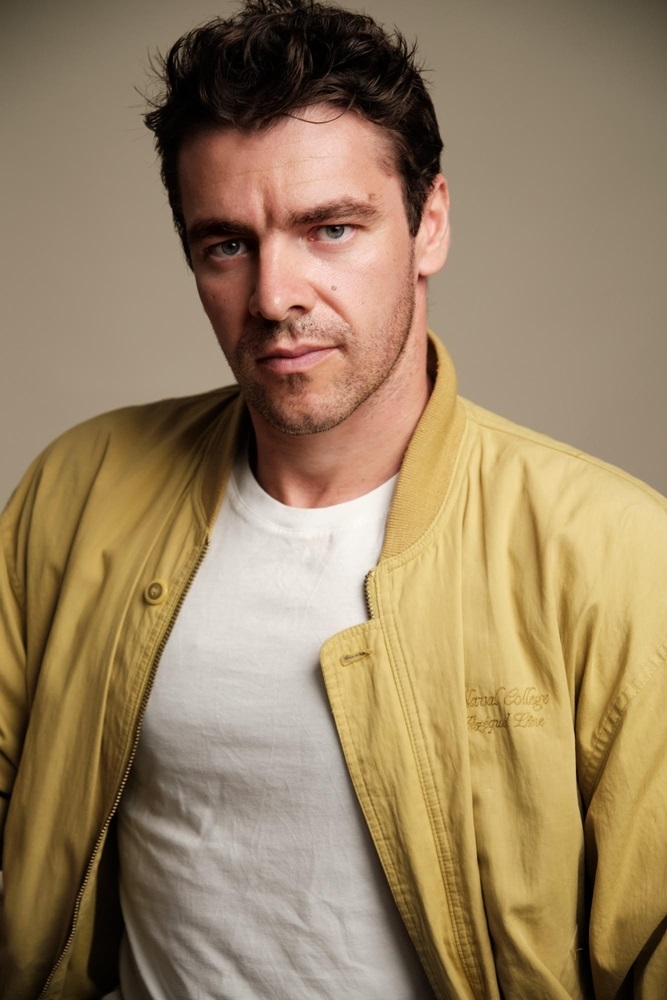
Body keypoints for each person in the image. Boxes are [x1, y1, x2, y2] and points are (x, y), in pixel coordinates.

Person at [1, 0, 666, 996]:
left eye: (331, 229)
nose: (274, 296)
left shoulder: (613, 550)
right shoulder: (81, 487)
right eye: (226, 244)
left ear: (428, 223)